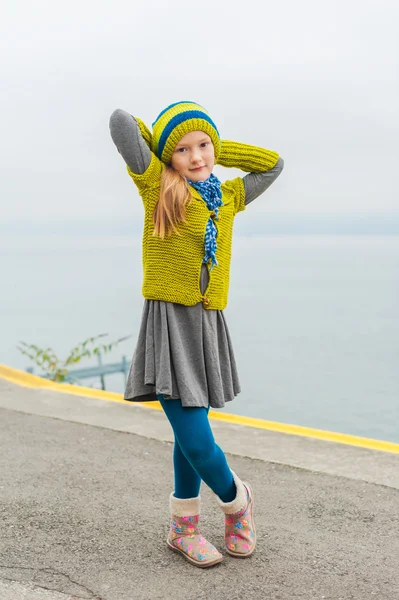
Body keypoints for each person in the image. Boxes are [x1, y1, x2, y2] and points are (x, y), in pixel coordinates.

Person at [109, 101, 284, 568]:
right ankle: (237, 501)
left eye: (203, 144)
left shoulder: (226, 197)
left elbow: (272, 164)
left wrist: (218, 151)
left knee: (190, 437)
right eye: (184, 149)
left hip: (207, 324)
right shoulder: (157, 186)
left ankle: (182, 527)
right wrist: (163, 146)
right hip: (168, 322)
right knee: (197, 438)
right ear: (168, 156)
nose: (197, 155)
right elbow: (121, 123)